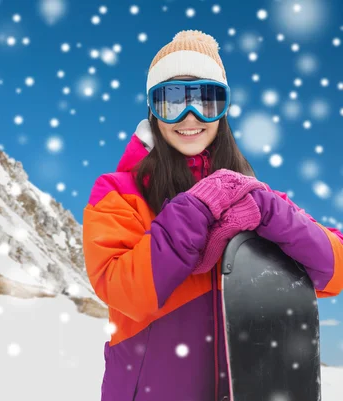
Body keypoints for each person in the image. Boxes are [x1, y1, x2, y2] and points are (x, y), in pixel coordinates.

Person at [82, 29, 343, 401]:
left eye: (206, 101)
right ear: (153, 112)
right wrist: (197, 208)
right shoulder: (117, 192)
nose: (189, 117)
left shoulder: (256, 199)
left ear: (223, 110)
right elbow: (125, 290)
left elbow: (335, 269)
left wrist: (272, 213)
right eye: (172, 102)